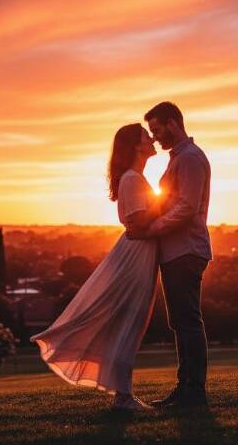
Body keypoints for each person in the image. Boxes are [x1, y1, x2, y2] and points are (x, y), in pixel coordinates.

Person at [31, 123, 161, 412]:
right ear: (136, 146)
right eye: (146, 136)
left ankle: (123, 395)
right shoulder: (132, 179)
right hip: (136, 255)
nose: (152, 138)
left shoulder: (135, 178)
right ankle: (123, 396)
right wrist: (168, 203)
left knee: (131, 323)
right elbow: (139, 223)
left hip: (141, 253)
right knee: (128, 322)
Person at [127, 101, 212, 409]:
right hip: (177, 250)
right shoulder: (180, 158)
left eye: (157, 129)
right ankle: (185, 386)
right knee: (181, 321)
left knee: (188, 321)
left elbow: (187, 208)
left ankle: (194, 390)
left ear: (172, 123)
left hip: (186, 249)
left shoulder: (189, 158)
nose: (155, 136)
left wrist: (150, 230)